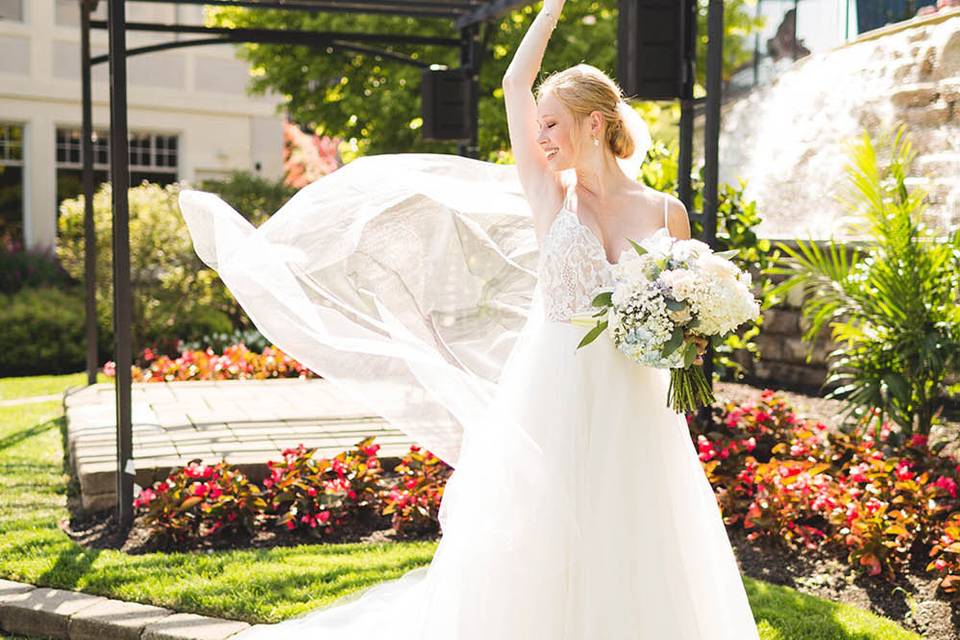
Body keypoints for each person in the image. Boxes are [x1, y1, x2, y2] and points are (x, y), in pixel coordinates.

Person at [177, 0, 761, 637]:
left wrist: (687, 331)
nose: (540, 137)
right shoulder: (549, 194)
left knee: (638, 515)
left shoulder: (665, 211)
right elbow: (514, 83)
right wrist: (551, 10)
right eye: (538, 126)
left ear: (594, 125)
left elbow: (685, 302)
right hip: (555, 383)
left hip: (636, 394)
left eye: (552, 124)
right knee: (546, 518)